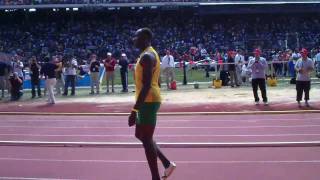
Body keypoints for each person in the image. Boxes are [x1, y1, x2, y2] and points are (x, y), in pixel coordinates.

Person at [128, 28, 176, 180]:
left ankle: (155, 177)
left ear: (146, 38)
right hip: (146, 100)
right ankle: (166, 163)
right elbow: (157, 80)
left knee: (147, 139)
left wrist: (134, 110)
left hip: (147, 101)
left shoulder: (148, 56)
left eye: (137, 36)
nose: (134, 38)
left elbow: (148, 84)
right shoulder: (148, 54)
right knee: (140, 135)